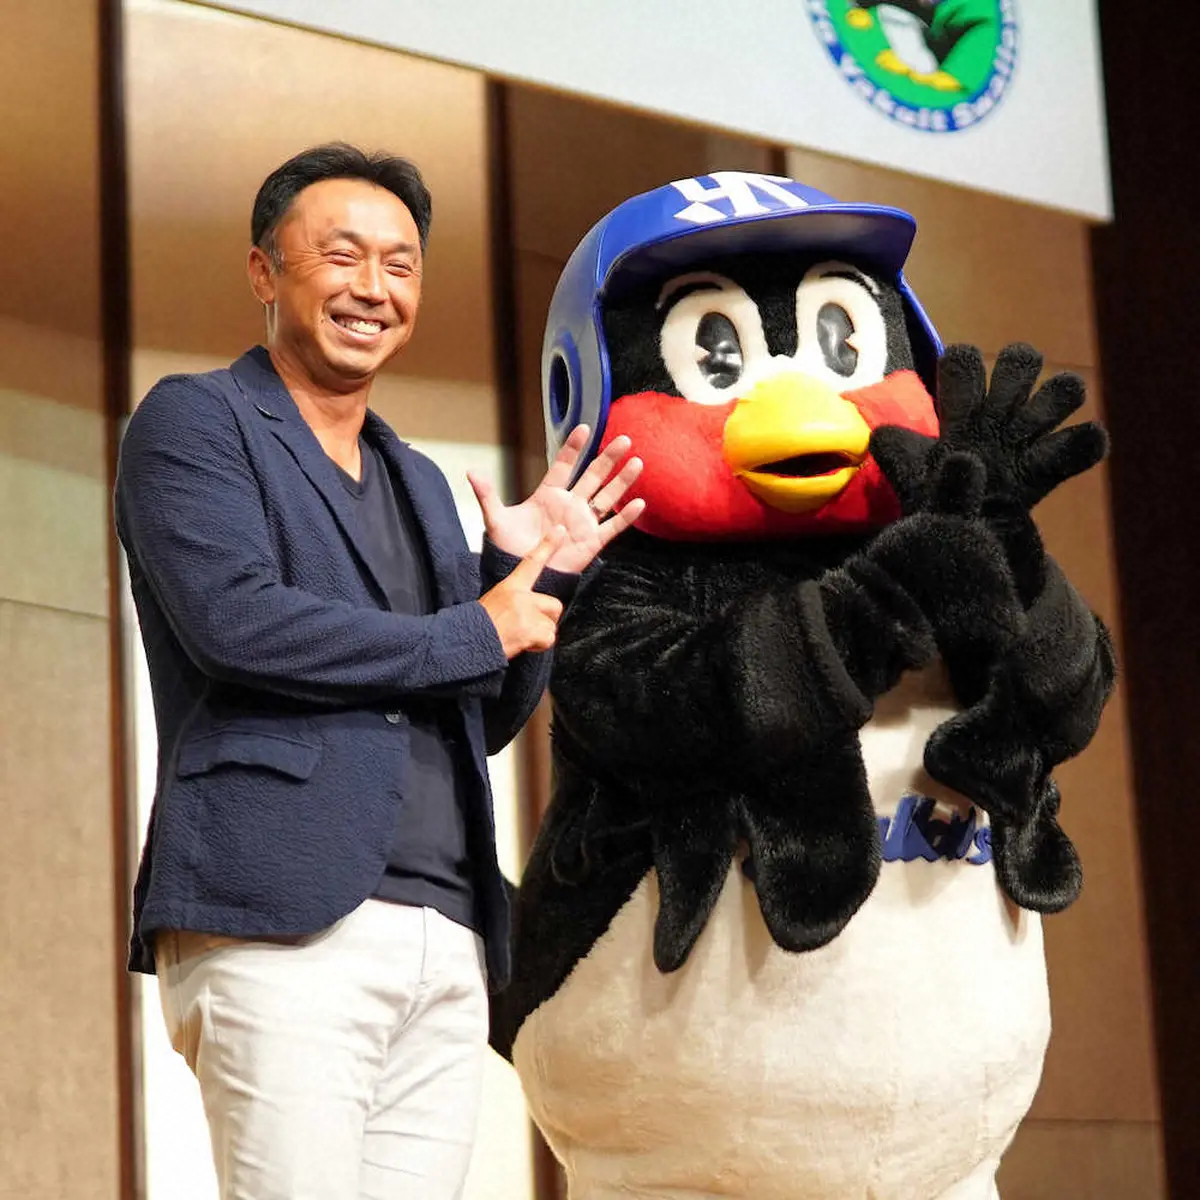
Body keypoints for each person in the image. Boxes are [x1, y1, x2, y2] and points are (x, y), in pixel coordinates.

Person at [115, 142, 644, 1200]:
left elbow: (475, 713)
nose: (373, 287)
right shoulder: (196, 420)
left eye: (400, 265)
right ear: (265, 272)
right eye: (342, 256)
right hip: (278, 918)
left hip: (446, 934)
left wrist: (529, 577)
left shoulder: (416, 478)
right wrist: (479, 626)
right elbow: (236, 624)